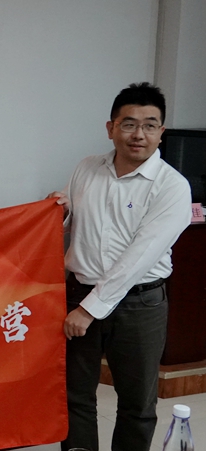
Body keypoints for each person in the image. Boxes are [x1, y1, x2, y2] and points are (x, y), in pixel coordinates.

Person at [47, 82, 191, 451]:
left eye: (149, 125)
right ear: (111, 128)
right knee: (75, 396)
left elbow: (138, 258)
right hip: (79, 291)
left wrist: (88, 310)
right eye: (129, 124)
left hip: (139, 304)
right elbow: (72, 222)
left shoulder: (172, 187)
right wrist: (59, 211)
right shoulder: (87, 168)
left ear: (161, 132)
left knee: (136, 404)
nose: (138, 134)